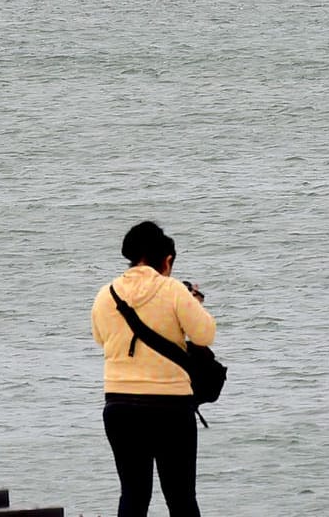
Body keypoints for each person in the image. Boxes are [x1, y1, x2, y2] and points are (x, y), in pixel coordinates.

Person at [91, 221, 216, 517]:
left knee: (133, 494)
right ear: (167, 260)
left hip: (119, 406)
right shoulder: (173, 290)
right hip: (169, 408)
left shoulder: (105, 295)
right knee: (181, 497)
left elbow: (100, 338)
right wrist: (194, 303)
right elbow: (205, 334)